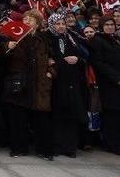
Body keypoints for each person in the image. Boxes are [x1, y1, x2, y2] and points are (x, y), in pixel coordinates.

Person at [3, 9, 54, 159]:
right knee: (18, 118)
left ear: (37, 24)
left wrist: (51, 71)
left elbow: (53, 58)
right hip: (19, 82)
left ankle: (44, 150)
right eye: (25, 19)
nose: (27, 22)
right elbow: (2, 58)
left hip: (39, 83)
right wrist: (7, 48)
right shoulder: (13, 37)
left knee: (41, 119)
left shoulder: (44, 39)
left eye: (31, 20)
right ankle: (19, 148)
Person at [46, 11, 87, 158]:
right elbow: (46, 57)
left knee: (71, 115)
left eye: (63, 24)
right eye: (58, 24)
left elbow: (84, 58)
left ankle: (70, 147)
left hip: (72, 82)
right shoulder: (48, 39)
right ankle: (57, 146)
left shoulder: (72, 38)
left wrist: (77, 59)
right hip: (57, 81)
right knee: (57, 115)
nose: (61, 26)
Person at [88, 17, 120, 154]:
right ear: (101, 26)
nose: (110, 27)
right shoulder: (97, 40)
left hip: (116, 83)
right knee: (111, 115)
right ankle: (111, 144)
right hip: (107, 83)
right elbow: (99, 63)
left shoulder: (114, 40)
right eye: (106, 25)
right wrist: (116, 78)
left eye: (112, 24)